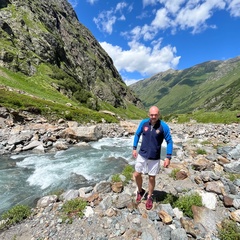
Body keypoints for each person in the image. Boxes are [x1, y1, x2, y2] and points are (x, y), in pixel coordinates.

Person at [132, 106, 173, 210]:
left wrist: (168, 157)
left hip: (154, 157)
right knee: (137, 174)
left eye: (155, 115)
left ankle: (149, 197)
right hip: (142, 154)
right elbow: (137, 134)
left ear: (158, 114)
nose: (153, 116)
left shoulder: (164, 126)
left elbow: (169, 141)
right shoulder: (144, 123)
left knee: (151, 177)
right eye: (151, 115)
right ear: (148, 114)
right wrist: (134, 148)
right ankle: (140, 191)